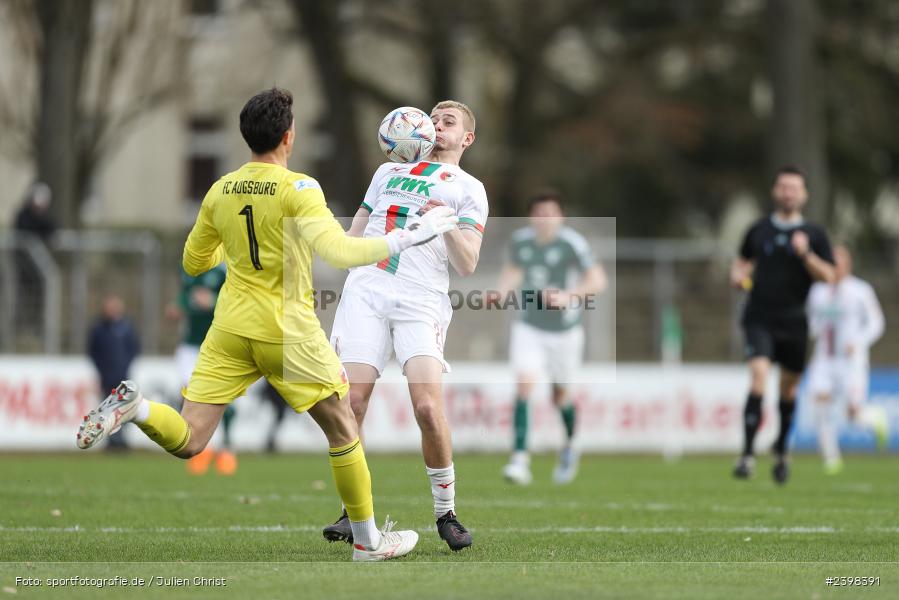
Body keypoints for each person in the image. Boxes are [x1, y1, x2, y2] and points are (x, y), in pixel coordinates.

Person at [76, 88, 458, 561]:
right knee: (343, 428)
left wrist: (237, 247)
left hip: (230, 328)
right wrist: (408, 236)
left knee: (191, 439)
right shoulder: (299, 188)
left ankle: (136, 410)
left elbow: (194, 261)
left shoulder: (220, 189)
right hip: (286, 330)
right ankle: (368, 542)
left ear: (246, 137)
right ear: (288, 136)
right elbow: (342, 252)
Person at [321, 101, 487, 552]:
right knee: (351, 402)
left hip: (421, 300)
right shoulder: (385, 172)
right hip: (367, 290)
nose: (437, 126)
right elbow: (354, 236)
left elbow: (468, 262)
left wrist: (446, 222)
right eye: (433, 119)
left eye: (447, 122)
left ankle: (446, 512)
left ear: (466, 139)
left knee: (428, 410)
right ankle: (354, 512)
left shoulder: (469, 188)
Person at [493, 190, 607, 485]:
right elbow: (514, 270)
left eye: (551, 213)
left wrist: (569, 296)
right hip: (529, 325)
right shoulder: (521, 241)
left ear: (561, 216)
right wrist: (502, 291)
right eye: (539, 213)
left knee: (561, 397)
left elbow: (598, 279)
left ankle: (570, 445)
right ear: (531, 217)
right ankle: (519, 459)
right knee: (524, 385)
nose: (545, 219)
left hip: (564, 332)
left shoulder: (572, 244)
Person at [730, 165, 835, 484]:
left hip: (794, 321)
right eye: (783, 187)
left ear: (803, 195)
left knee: (788, 391)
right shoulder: (758, 229)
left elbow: (829, 276)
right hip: (759, 317)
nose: (788, 193)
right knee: (758, 378)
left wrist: (807, 256)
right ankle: (747, 454)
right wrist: (738, 276)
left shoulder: (814, 235)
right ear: (775, 191)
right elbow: (742, 262)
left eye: (794, 188)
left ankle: (780, 451)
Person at [807, 245, 887, 473]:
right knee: (820, 406)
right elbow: (812, 322)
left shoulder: (861, 290)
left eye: (838, 262)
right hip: (824, 358)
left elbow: (876, 323)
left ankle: (875, 418)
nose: (834, 266)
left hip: (851, 361)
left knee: (853, 415)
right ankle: (831, 458)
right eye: (830, 261)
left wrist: (859, 341)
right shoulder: (817, 291)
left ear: (848, 264)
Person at [167, 263, 238, 475]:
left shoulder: (224, 271)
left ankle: (226, 447)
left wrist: (213, 302)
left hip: (218, 345)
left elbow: (237, 303)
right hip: (189, 347)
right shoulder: (189, 269)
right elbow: (184, 296)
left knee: (224, 400)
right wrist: (177, 306)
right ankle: (201, 449)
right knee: (191, 397)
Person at [87, 294, 140, 451]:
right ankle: (110, 440)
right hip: (106, 376)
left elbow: (134, 348)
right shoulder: (98, 329)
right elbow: (93, 351)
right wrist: (101, 369)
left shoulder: (126, 327)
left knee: (124, 408)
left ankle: (121, 440)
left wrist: (125, 365)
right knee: (107, 409)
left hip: (123, 376)